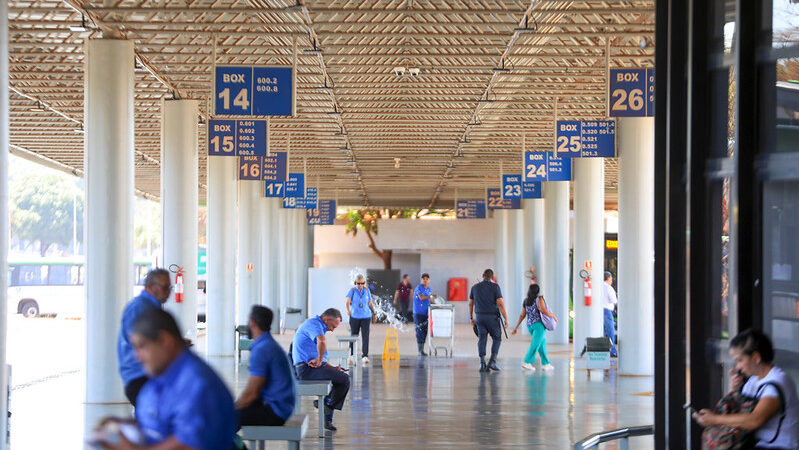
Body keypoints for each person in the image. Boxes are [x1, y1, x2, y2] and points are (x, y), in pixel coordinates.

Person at [100, 308, 237, 450]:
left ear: (165, 340)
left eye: (141, 346)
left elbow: (188, 444)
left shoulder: (197, 385)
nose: (136, 356)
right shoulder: (160, 377)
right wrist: (122, 427)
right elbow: (158, 424)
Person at [693, 329, 799, 449]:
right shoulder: (753, 381)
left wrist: (714, 419)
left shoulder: (777, 381)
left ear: (756, 357)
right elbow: (738, 413)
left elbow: (755, 420)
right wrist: (734, 391)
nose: (737, 366)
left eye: (740, 360)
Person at [117, 268, 171, 406]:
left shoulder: (150, 307)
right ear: (151, 286)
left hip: (147, 374)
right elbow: (138, 341)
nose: (168, 292)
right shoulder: (139, 307)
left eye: (169, 288)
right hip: (140, 375)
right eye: (165, 287)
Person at [235, 306, 296, 427]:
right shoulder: (268, 343)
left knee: (223, 418)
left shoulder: (261, 349)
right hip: (284, 406)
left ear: (252, 322)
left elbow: (252, 393)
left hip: (276, 412)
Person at [292, 308, 350, 431]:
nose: (332, 330)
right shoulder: (314, 324)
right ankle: (326, 405)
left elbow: (320, 361)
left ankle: (327, 415)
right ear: (326, 319)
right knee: (345, 379)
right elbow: (322, 342)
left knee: (338, 378)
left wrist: (333, 368)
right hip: (305, 370)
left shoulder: (317, 326)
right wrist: (319, 358)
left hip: (309, 367)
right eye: (333, 326)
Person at [469, 269, 510, 373]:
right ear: (492, 277)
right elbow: (500, 303)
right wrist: (506, 318)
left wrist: (471, 318)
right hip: (492, 318)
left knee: (482, 338)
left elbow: (470, 303)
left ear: (483, 275)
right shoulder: (495, 287)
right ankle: (492, 361)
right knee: (497, 338)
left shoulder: (474, 287)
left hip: (480, 317)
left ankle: (482, 363)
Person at [512, 284, 557, 372]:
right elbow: (543, 310)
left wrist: (516, 327)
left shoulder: (526, 301)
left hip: (530, 326)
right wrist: (553, 316)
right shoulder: (539, 299)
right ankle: (527, 362)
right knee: (535, 344)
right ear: (538, 291)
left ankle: (546, 364)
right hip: (539, 326)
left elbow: (522, 315)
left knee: (541, 344)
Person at [345, 274, 376, 365]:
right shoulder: (352, 290)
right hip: (354, 316)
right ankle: (351, 355)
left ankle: (365, 355)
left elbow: (370, 303)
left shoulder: (367, 290)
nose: (360, 285)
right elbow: (347, 302)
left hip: (366, 316)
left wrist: (374, 313)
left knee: (365, 336)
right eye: (358, 283)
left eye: (362, 283)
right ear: (355, 283)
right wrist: (348, 310)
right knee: (353, 335)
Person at [413, 273, 436, 356]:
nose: (425, 280)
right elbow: (422, 297)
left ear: (429, 280)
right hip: (418, 313)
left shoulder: (428, 289)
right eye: (424, 279)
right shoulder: (418, 288)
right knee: (419, 331)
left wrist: (438, 305)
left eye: (427, 279)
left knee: (424, 331)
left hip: (426, 313)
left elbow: (429, 300)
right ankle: (420, 350)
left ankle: (422, 350)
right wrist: (431, 296)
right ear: (421, 280)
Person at [602, 271, 618, 357]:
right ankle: (612, 351)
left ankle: (603, 351)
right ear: (608, 278)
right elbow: (614, 300)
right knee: (610, 331)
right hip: (607, 311)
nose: (612, 280)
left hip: (600, 311)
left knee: (603, 332)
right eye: (611, 279)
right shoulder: (608, 288)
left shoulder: (599, 286)